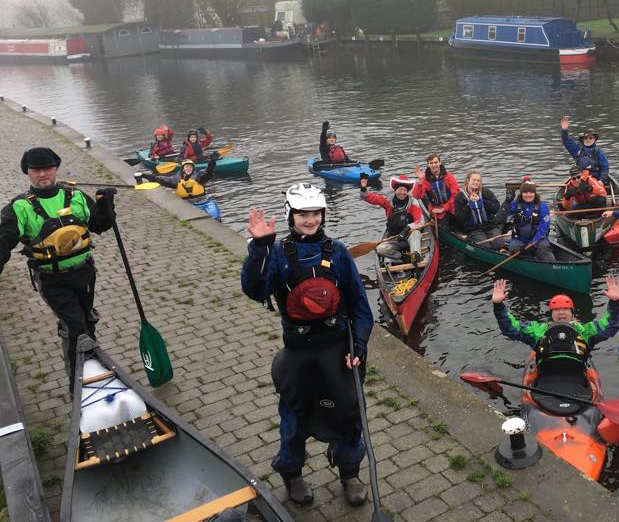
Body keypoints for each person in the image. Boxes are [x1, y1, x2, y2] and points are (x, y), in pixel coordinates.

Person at [241, 183, 372, 508]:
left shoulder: (338, 252)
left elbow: (359, 308)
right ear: (291, 215)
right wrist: (259, 248)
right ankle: (292, 473)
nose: (310, 219)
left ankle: (349, 472)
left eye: (315, 213)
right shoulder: (276, 254)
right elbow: (256, 291)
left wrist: (358, 346)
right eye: (303, 213)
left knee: (350, 416)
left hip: (337, 349)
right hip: (299, 354)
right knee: (294, 420)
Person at [0, 148, 116, 387]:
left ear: (56, 169)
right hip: (52, 280)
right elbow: (4, 241)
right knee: (75, 327)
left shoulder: (76, 195)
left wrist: (106, 204)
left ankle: (93, 367)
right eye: (36, 170)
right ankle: (78, 384)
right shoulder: (20, 208)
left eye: (48, 169)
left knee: (87, 321)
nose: (43, 174)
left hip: (84, 272)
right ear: (28, 173)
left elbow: (100, 225)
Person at [491, 277, 619, 378]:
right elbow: (511, 328)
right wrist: (498, 305)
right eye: (557, 310)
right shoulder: (538, 331)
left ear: (572, 313)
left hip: (576, 374)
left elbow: (610, 326)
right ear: (551, 314)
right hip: (546, 374)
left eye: (565, 309)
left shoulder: (585, 331)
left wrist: (615, 302)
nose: (561, 312)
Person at [360, 173, 427, 262]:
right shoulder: (388, 201)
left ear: (407, 191)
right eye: (400, 190)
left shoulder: (413, 202)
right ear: (395, 190)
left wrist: (406, 229)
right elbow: (371, 198)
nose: (402, 193)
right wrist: (364, 188)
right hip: (394, 238)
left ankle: (415, 255)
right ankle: (402, 257)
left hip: (410, 236)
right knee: (380, 249)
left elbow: (420, 221)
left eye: (404, 190)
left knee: (416, 234)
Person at [495, 180, 555, 263]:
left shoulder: (543, 206)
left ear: (535, 193)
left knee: (544, 248)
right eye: (525, 192)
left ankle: (549, 264)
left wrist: (533, 244)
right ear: (521, 193)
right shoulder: (515, 204)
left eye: (531, 192)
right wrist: (507, 202)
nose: (528, 195)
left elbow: (543, 229)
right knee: (514, 247)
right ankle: (530, 261)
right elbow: (499, 219)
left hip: (538, 239)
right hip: (520, 239)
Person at [452, 170, 503, 249]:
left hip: (489, 226)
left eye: (478, 181)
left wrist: (482, 201)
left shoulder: (486, 192)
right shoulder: (460, 197)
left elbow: (496, 208)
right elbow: (459, 218)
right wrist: (469, 204)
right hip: (473, 229)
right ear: (468, 180)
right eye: (474, 180)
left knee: (499, 244)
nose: (476, 182)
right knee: (486, 247)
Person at [137, 154, 219, 200]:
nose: (188, 169)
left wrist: (212, 162)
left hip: (202, 199)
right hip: (186, 202)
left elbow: (208, 173)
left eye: (190, 167)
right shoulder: (176, 178)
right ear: (183, 169)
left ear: (193, 169)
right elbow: (160, 179)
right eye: (186, 167)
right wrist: (145, 175)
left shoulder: (199, 176)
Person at [413, 154, 459, 231]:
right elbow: (417, 196)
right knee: (444, 228)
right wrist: (420, 181)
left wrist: (444, 208)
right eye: (431, 163)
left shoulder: (449, 176)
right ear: (428, 165)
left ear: (439, 163)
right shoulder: (425, 179)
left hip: (451, 208)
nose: (434, 165)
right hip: (437, 212)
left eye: (436, 162)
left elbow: (455, 195)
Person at [560, 116, 609, 182]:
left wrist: (601, 181)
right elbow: (566, 141)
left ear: (594, 139)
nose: (588, 140)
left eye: (590, 138)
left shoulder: (599, 152)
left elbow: (605, 169)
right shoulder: (577, 149)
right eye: (586, 138)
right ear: (583, 140)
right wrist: (564, 130)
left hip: (595, 180)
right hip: (579, 180)